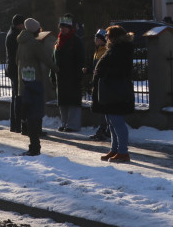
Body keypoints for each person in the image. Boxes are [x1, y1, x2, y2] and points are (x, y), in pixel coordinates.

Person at [16, 18, 59, 156]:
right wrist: (58, 70)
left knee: (28, 114)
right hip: (34, 83)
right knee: (35, 115)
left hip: (23, 83)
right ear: (35, 30)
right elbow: (46, 59)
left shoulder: (21, 43)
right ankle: (35, 147)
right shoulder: (34, 44)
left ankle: (33, 145)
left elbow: (17, 61)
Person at [92, 26, 135, 162]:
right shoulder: (115, 49)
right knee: (111, 122)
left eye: (108, 35)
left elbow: (120, 70)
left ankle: (123, 152)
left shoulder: (121, 50)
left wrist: (102, 72)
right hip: (110, 91)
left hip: (116, 91)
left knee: (117, 122)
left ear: (113, 37)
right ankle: (115, 149)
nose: (105, 37)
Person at [53, 13, 84, 132]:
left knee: (72, 102)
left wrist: (78, 74)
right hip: (61, 76)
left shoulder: (76, 41)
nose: (62, 29)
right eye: (61, 27)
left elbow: (80, 59)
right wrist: (53, 75)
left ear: (70, 28)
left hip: (72, 76)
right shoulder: (58, 41)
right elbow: (53, 58)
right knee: (63, 102)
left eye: (65, 27)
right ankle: (64, 122)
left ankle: (72, 124)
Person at [87, 29, 112, 141]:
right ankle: (105, 129)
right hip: (98, 82)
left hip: (102, 83)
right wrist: (88, 70)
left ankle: (103, 129)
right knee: (102, 108)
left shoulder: (104, 51)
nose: (95, 40)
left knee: (103, 108)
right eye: (95, 38)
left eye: (98, 39)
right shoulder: (97, 51)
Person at [5, 14, 24, 133]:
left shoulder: (11, 33)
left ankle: (14, 124)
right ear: (19, 24)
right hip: (15, 68)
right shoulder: (15, 36)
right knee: (18, 96)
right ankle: (17, 124)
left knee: (15, 96)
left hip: (12, 68)